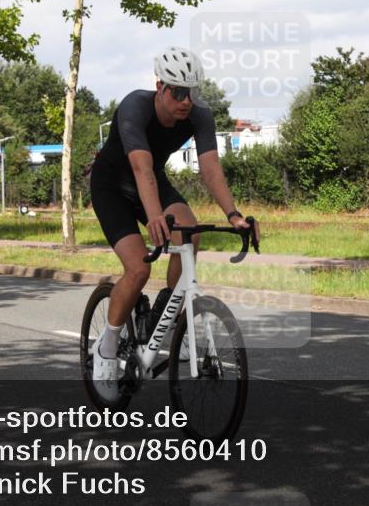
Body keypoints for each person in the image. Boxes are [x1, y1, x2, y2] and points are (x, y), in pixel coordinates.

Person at [88, 46, 259, 401]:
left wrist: (234, 215)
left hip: (153, 182)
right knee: (138, 270)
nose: (185, 101)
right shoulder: (135, 106)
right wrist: (153, 218)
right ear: (160, 87)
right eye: (178, 92)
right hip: (113, 187)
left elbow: (211, 170)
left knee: (189, 235)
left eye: (191, 92)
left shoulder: (199, 116)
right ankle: (105, 350)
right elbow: (141, 168)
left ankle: (167, 316)